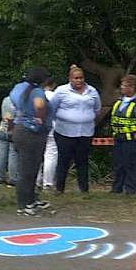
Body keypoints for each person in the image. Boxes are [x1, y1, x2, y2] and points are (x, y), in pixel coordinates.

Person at [49, 66, 101, 194]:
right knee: (63, 160)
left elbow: (97, 108)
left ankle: (84, 189)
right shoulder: (61, 91)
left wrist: (86, 118)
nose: (79, 80)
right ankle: (59, 188)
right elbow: (52, 108)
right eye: (76, 78)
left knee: (82, 160)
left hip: (85, 132)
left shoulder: (92, 91)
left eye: (81, 78)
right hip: (64, 132)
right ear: (70, 79)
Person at [9, 67, 53, 216]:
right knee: (28, 171)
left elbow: (12, 101)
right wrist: (40, 118)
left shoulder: (19, 88)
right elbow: (39, 105)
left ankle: (31, 199)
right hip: (32, 133)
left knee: (29, 169)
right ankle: (24, 205)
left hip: (20, 129)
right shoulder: (37, 91)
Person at [109, 74, 136, 195]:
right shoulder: (119, 101)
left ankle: (130, 189)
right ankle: (116, 188)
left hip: (131, 138)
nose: (121, 88)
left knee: (130, 164)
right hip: (118, 137)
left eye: (124, 86)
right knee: (118, 163)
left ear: (132, 87)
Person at [38, 77, 58, 191]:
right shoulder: (55, 96)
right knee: (51, 154)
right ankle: (48, 182)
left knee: (37, 153)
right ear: (53, 85)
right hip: (53, 126)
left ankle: (36, 180)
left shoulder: (37, 95)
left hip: (39, 125)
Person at [0, 94, 19, 187]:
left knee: (2, 154)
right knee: (13, 154)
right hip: (13, 130)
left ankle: (0, 178)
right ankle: (13, 179)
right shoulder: (19, 101)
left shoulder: (6, 99)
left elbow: (4, 115)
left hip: (3, 129)